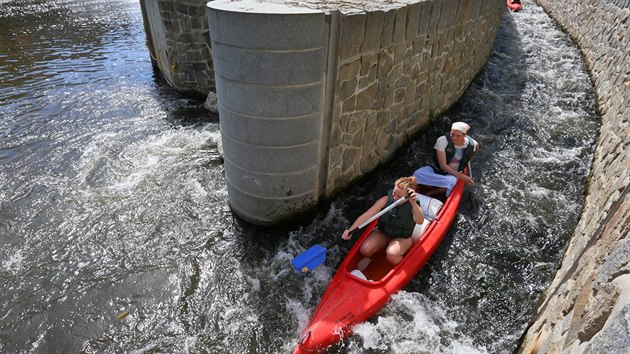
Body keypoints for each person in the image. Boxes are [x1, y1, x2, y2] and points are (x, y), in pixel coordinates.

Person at [341, 176, 424, 269]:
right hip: (383, 233)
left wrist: (413, 203)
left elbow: (420, 221)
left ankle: (397, 263)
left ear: (407, 197)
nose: (394, 197)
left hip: (403, 238)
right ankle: (370, 258)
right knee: (365, 249)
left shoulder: (413, 205)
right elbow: (367, 215)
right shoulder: (386, 199)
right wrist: (350, 230)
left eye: (399, 196)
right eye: (394, 192)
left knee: (392, 254)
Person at [413, 122, 479, 197]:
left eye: (458, 136)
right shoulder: (442, 141)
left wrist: (465, 162)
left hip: (453, 174)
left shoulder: (474, 144)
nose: (454, 138)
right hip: (438, 169)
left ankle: (429, 193)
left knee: (451, 181)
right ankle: (438, 187)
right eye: (452, 134)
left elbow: (473, 153)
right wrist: (463, 177)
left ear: (464, 135)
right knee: (417, 174)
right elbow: (443, 165)